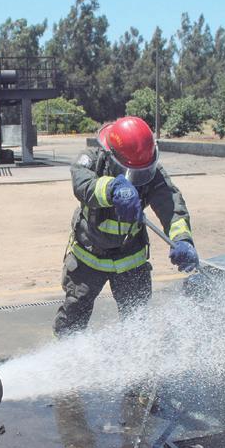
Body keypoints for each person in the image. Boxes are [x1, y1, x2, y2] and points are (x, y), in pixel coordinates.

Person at [53, 116, 199, 337]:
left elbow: (172, 206)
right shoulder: (91, 159)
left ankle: (135, 357)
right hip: (88, 257)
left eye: (143, 172)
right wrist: (112, 189)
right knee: (73, 317)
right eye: (132, 171)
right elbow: (82, 184)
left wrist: (183, 240)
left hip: (131, 259)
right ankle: (63, 355)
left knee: (137, 321)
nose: (138, 178)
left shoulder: (152, 173)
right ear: (111, 156)